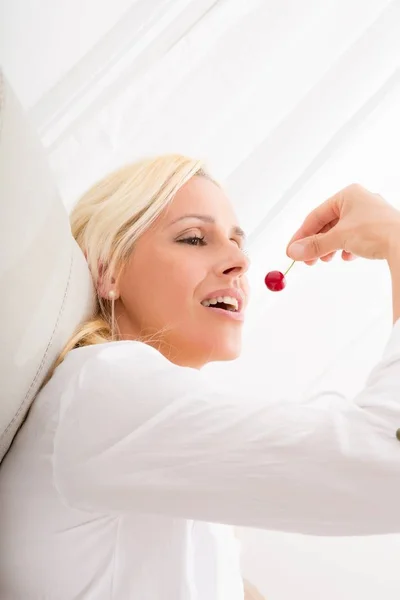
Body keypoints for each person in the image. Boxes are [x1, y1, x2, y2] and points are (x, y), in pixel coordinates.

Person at [1, 153, 400, 600]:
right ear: (107, 270)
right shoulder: (108, 389)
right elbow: (391, 462)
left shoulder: (141, 421)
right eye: (194, 238)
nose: (239, 262)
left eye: (237, 242)